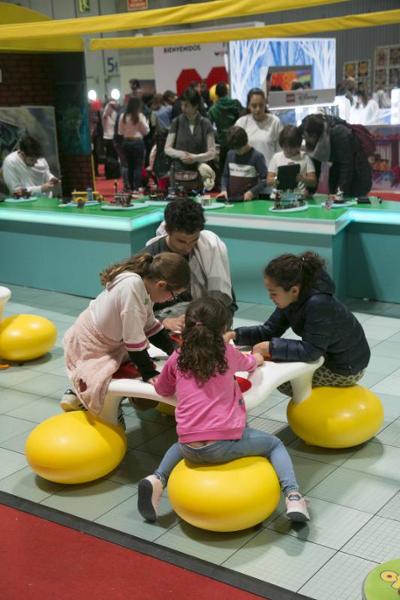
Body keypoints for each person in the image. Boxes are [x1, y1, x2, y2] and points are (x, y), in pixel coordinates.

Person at [137, 296, 309, 524]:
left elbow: (163, 388)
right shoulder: (226, 353)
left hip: (189, 445)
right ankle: (293, 495)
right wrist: (257, 357)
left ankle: (157, 478)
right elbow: (250, 364)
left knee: (182, 442)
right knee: (274, 444)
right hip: (222, 445)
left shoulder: (177, 357)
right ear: (223, 329)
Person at [61, 252, 190, 416]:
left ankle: (87, 395)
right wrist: (148, 372)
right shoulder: (132, 287)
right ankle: (81, 395)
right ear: (161, 285)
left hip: (109, 338)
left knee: (139, 362)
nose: (172, 300)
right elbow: (134, 339)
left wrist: (175, 349)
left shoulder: (142, 285)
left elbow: (150, 325)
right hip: (92, 341)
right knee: (109, 374)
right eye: (174, 295)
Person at [226, 252, 370, 397]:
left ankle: (312, 410)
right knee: (274, 366)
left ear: (294, 290)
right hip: (328, 354)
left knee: (284, 381)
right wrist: (234, 335)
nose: (270, 297)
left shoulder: (318, 304)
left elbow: (312, 351)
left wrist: (270, 347)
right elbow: (269, 330)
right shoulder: (293, 298)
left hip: (346, 368)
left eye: (274, 293)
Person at [144, 198, 236, 332]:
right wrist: (165, 321)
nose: (188, 248)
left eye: (194, 240)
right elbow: (136, 311)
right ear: (168, 231)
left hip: (208, 319)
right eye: (181, 241)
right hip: (163, 325)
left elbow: (228, 303)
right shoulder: (150, 257)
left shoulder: (210, 249)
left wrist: (217, 321)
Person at [299, 113, 372, 197]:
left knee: (351, 203)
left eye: (306, 136)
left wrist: (339, 192)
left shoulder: (339, 132)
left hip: (357, 173)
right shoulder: (314, 139)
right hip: (338, 170)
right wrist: (309, 191)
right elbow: (316, 166)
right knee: (335, 201)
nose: (305, 140)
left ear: (314, 135)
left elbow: (347, 166)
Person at [164, 87, 216, 193]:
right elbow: (167, 149)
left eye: (186, 105)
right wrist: (181, 154)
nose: (183, 108)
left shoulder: (206, 123)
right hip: (178, 175)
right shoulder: (176, 122)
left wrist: (195, 158)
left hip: (199, 175)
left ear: (196, 106)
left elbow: (212, 152)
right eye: (182, 104)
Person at [235, 88, 282, 168]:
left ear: (265, 104)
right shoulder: (241, 123)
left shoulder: (275, 122)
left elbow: (280, 151)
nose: (258, 109)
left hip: (269, 171)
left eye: (261, 105)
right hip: (248, 172)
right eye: (254, 106)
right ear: (248, 106)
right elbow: (236, 150)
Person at [218, 125, 267, 201]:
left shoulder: (257, 156)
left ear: (246, 142)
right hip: (231, 200)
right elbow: (225, 176)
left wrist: (252, 192)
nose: (237, 152)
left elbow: (264, 180)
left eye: (239, 149)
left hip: (249, 201)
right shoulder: (230, 154)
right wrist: (223, 190)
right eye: (234, 149)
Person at [267, 125, 317, 191]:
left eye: (292, 147)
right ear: (281, 144)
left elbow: (313, 182)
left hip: (299, 196)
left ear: (298, 144)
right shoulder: (276, 157)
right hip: (279, 197)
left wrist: (302, 178)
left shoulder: (305, 157)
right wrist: (278, 178)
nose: (288, 149)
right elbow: (268, 181)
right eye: (285, 146)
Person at [208, 82, 243, 174]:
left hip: (223, 141)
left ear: (216, 94)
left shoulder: (212, 109)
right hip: (237, 139)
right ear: (227, 91)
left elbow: (208, 127)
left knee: (224, 169)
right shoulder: (235, 103)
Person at [118, 96, 149, 191]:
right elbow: (146, 131)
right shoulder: (140, 116)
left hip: (126, 142)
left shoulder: (123, 116)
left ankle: (130, 187)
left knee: (130, 166)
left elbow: (120, 132)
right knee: (138, 166)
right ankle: (137, 187)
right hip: (137, 142)